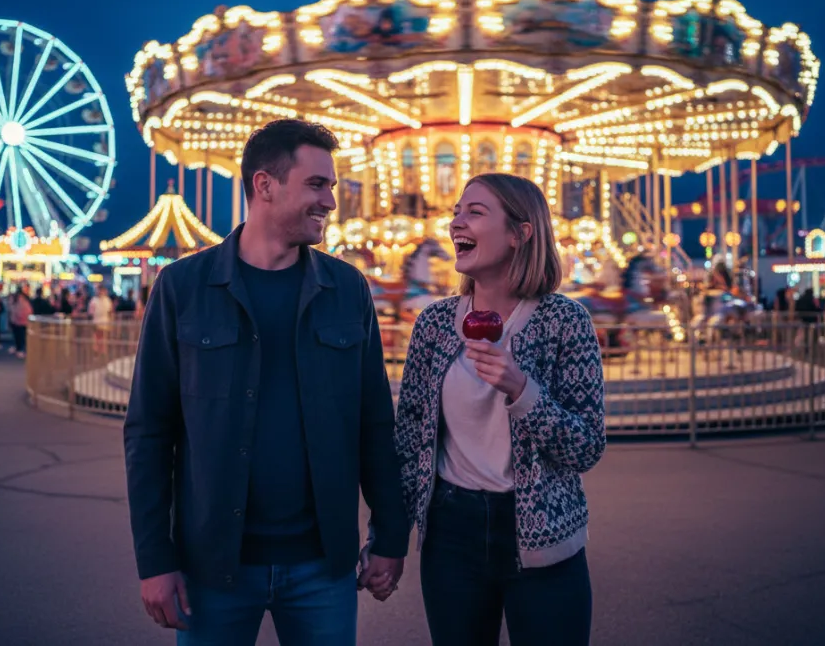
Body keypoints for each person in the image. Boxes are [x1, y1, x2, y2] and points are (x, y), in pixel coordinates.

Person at [124, 119, 408, 645]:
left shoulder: (348, 289)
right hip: (214, 564)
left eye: (332, 186)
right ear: (264, 185)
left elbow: (373, 422)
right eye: (317, 184)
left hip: (322, 564)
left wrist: (391, 535)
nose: (331, 200)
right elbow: (149, 433)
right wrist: (154, 559)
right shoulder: (183, 287)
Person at [391, 173, 606, 646]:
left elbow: (587, 446)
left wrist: (521, 388)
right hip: (451, 530)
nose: (454, 222)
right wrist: (389, 537)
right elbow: (409, 439)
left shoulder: (565, 322)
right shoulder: (433, 325)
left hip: (542, 536)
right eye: (456, 212)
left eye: (474, 212)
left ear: (519, 233)